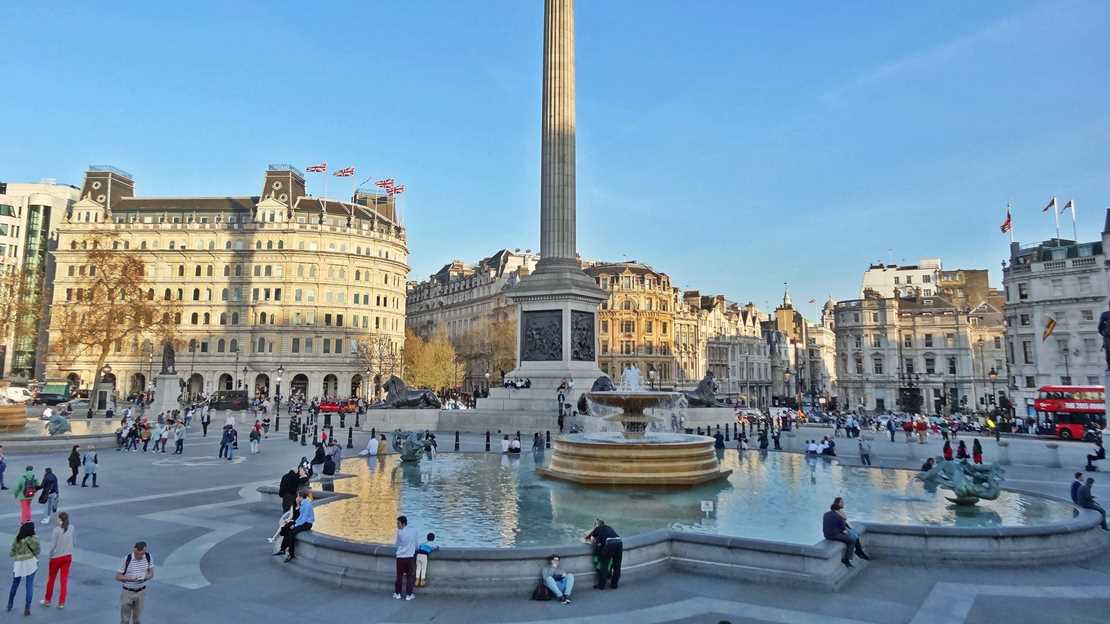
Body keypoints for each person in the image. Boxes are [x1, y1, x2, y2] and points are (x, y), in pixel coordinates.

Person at [822, 497, 870, 567]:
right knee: (851, 540)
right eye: (842, 502)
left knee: (853, 535)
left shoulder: (826, 514)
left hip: (827, 534)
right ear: (838, 506)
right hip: (833, 535)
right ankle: (847, 559)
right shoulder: (839, 516)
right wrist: (844, 519)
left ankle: (859, 552)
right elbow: (843, 530)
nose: (843, 503)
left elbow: (836, 526)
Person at [41, 512, 73, 609]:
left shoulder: (56, 530)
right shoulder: (71, 528)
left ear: (60, 520)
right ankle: (61, 602)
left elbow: (52, 546)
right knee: (64, 580)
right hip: (68, 556)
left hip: (56, 557)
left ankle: (47, 600)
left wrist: (50, 555)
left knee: (51, 579)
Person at [116, 541, 154, 624]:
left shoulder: (148, 557)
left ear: (145, 550)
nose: (139, 556)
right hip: (127, 592)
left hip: (141, 592)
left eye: (141, 554)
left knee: (137, 619)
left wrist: (145, 578)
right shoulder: (128, 559)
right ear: (134, 550)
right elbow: (118, 577)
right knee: (125, 620)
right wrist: (130, 579)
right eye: (137, 554)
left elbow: (151, 573)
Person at [7, 522, 39, 615]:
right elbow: (38, 550)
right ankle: (27, 608)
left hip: (19, 564)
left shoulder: (17, 538)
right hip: (31, 564)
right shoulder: (34, 538)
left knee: (15, 584)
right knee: (29, 586)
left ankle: (10, 604)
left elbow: (11, 553)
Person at [276, 490, 314, 562]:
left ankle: (291, 554)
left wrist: (295, 525)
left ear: (301, 497)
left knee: (291, 532)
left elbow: (304, 519)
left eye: (298, 496)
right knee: (287, 529)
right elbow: (300, 517)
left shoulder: (307, 505)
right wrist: (294, 523)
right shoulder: (303, 503)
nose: (297, 497)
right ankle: (282, 549)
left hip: (307, 524)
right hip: (302, 522)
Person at [585, 519, 622, 590]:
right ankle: (614, 585)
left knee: (604, 565)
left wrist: (588, 538)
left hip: (610, 543)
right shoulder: (609, 527)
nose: (594, 526)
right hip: (619, 542)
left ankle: (601, 586)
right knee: (617, 565)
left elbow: (589, 538)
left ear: (597, 525)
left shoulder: (598, 528)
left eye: (594, 525)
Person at [393, 515, 418, 600]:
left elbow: (397, 544)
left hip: (400, 557)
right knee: (410, 576)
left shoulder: (400, 533)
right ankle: (409, 594)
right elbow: (416, 543)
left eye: (398, 523)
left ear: (403, 524)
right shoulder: (414, 530)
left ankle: (398, 593)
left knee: (399, 576)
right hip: (410, 557)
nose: (397, 525)